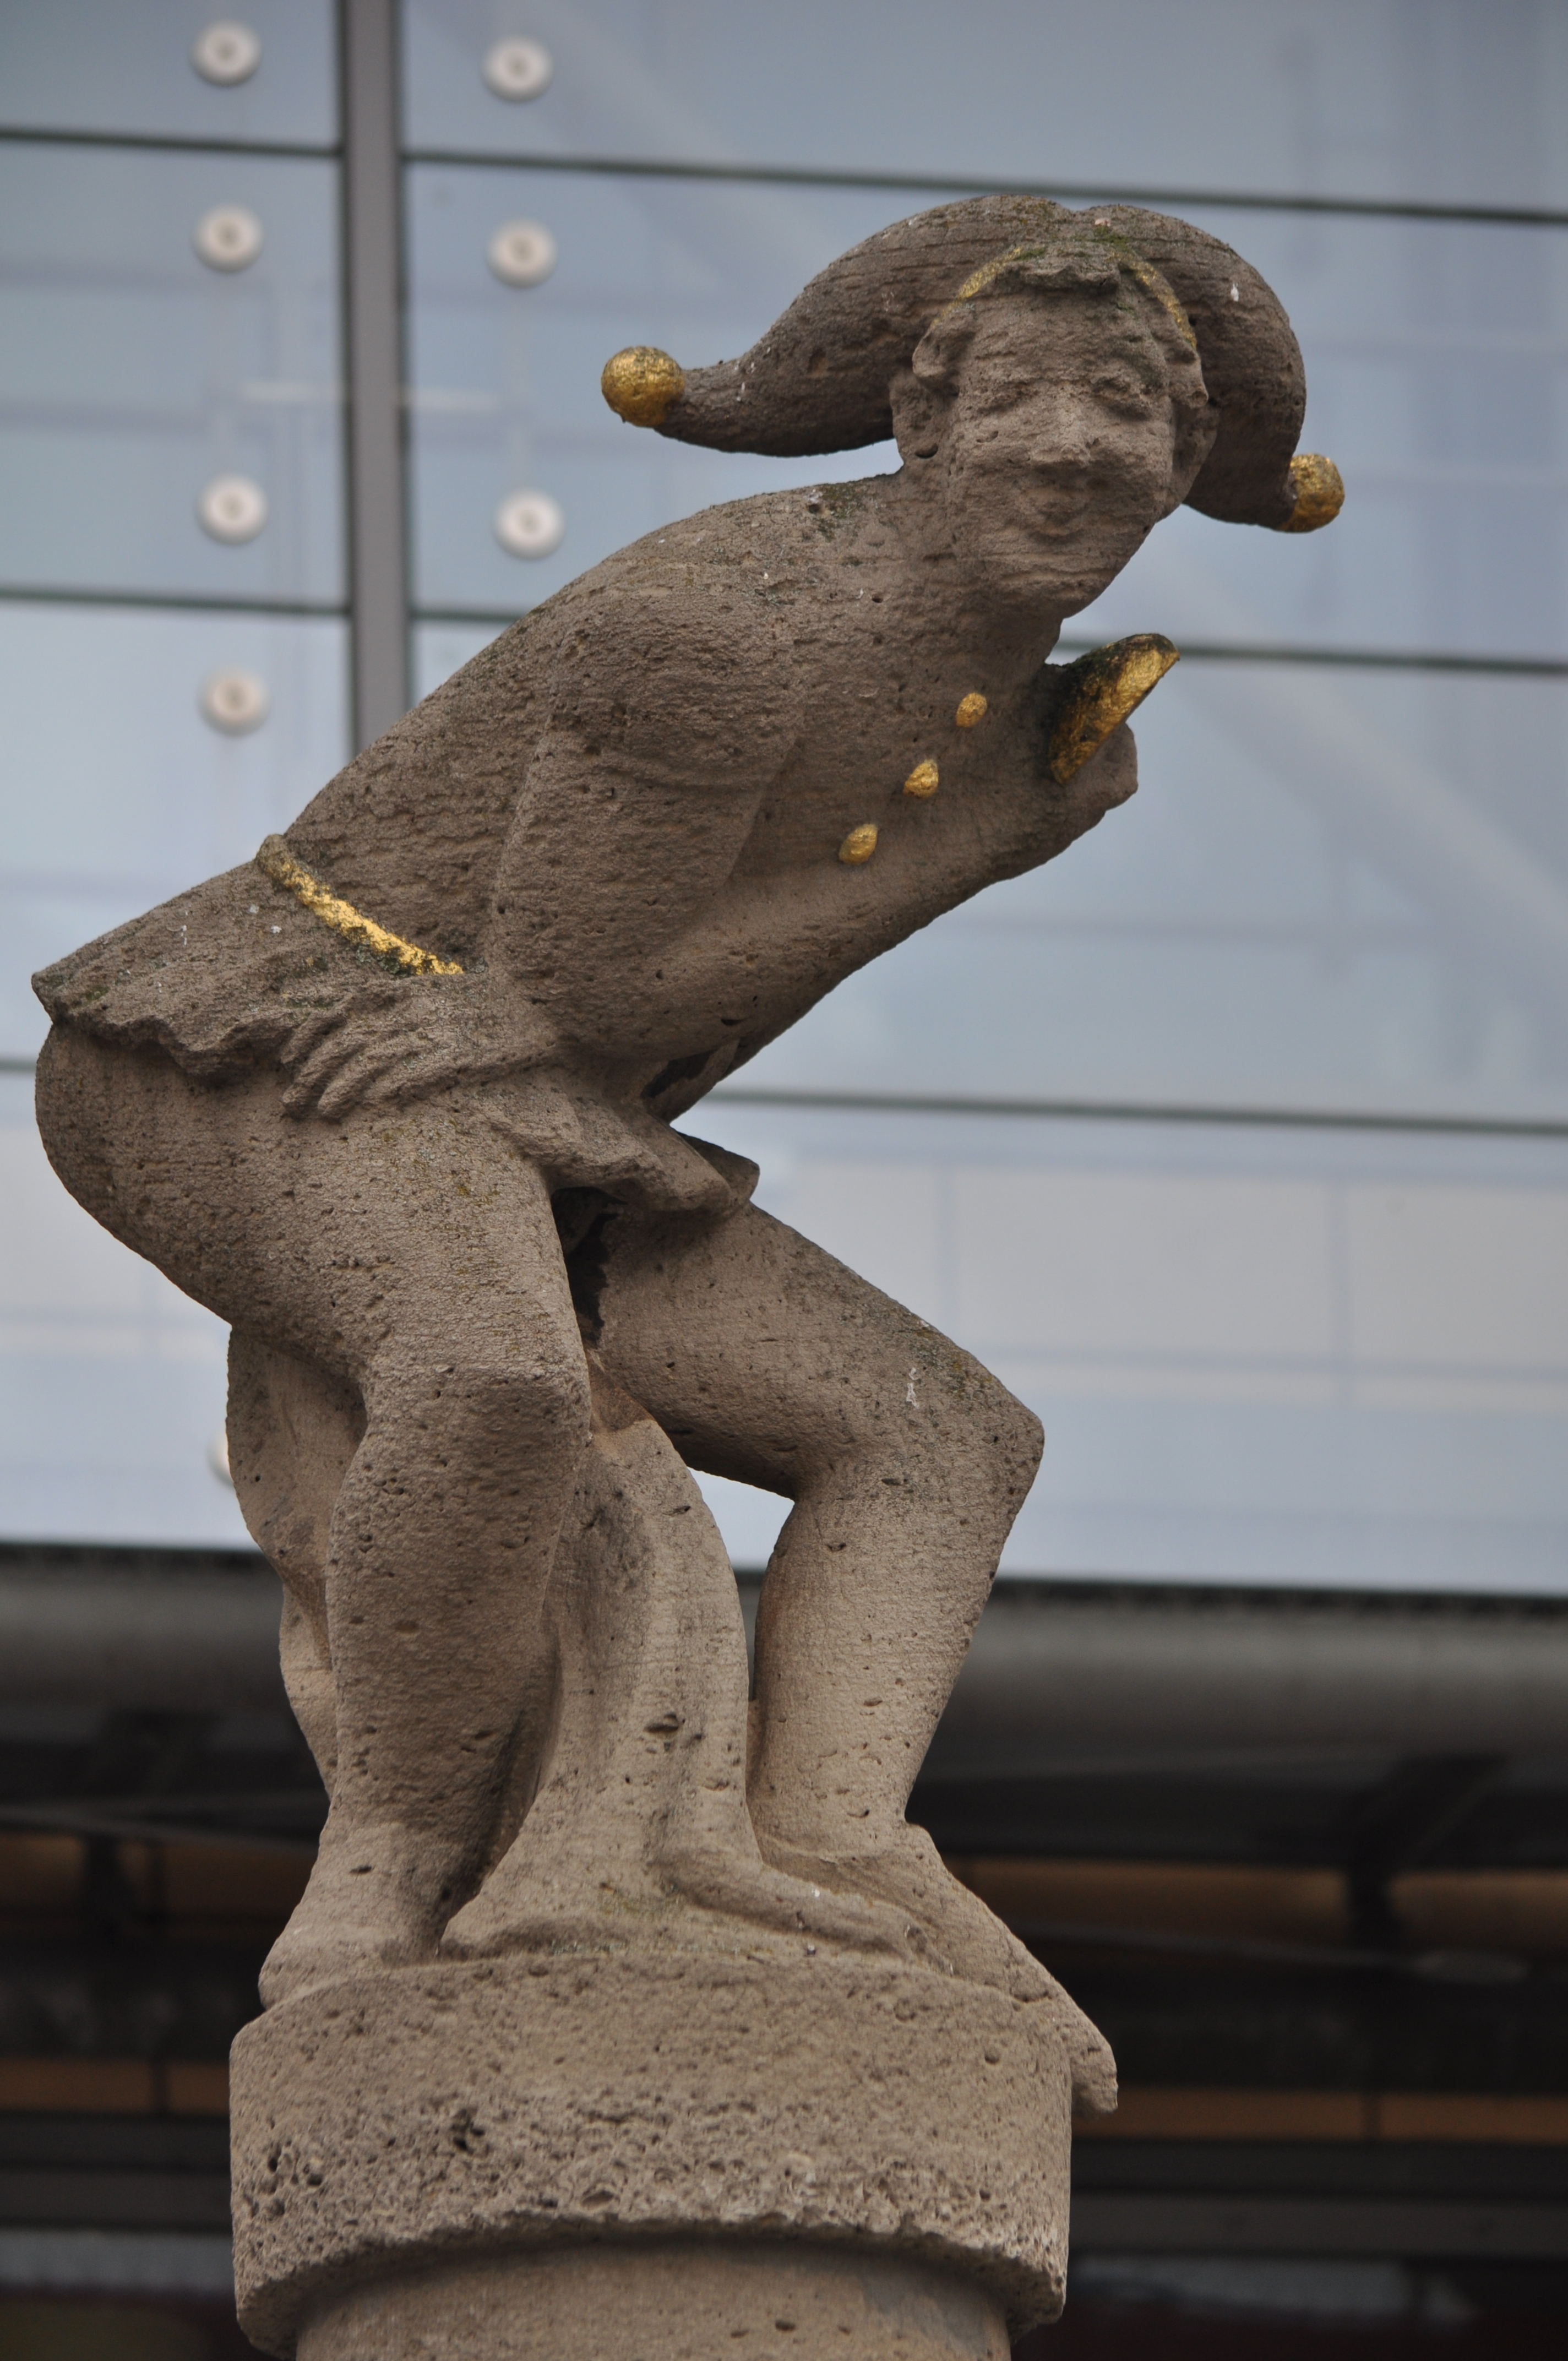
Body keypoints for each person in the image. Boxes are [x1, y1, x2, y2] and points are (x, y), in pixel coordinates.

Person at [33, 199, 1338, 2079]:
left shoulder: (986, 665)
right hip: (258, 1057)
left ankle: (834, 1832)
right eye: (1023, 396)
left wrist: (994, 823)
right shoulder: (722, 630)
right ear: (921, 416)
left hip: (526, 1106)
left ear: (1183, 460)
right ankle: (389, 1852)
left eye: (1129, 404)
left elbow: (595, 1030)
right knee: (488, 1379)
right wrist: (994, 847)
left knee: (940, 1436)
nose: (1072, 446)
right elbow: (587, 994)